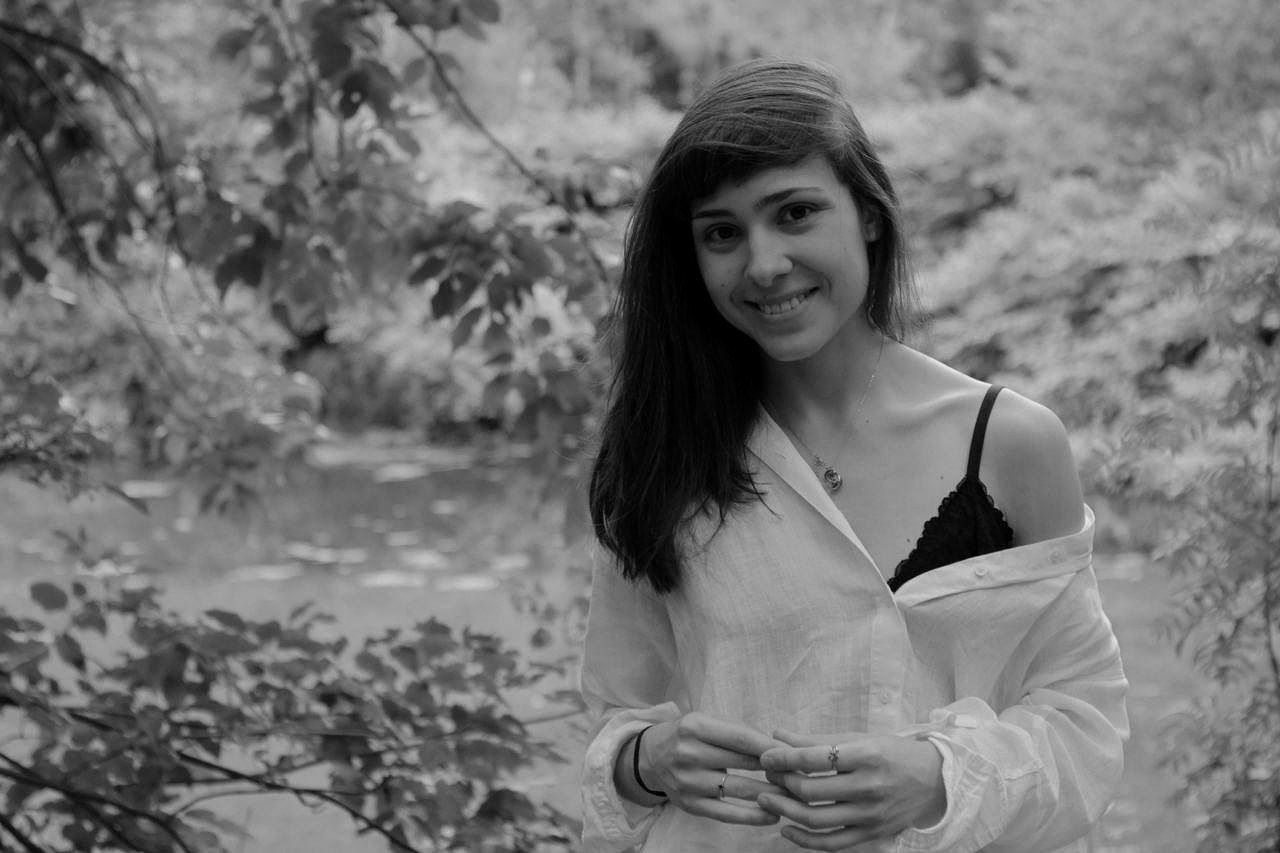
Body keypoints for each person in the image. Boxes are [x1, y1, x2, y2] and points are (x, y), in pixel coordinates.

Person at [579, 57, 1128, 853]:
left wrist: (939, 777)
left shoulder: (1009, 441)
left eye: (795, 213)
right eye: (722, 233)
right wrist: (645, 760)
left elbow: (1086, 723)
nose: (764, 264)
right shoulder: (660, 454)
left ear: (869, 215)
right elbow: (613, 717)